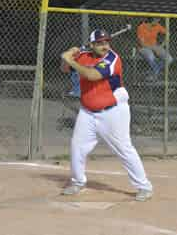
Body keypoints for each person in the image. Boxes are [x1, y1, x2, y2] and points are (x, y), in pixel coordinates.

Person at [60, 29, 153, 201]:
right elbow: (65, 68)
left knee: (124, 149)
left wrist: (71, 60)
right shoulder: (83, 55)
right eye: (100, 43)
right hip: (87, 112)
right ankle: (77, 181)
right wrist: (69, 55)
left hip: (113, 112)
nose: (105, 46)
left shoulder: (112, 58)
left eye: (106, 42)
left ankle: (144, 186)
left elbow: (92, 75)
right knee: (77, 147)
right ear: (92, 44)